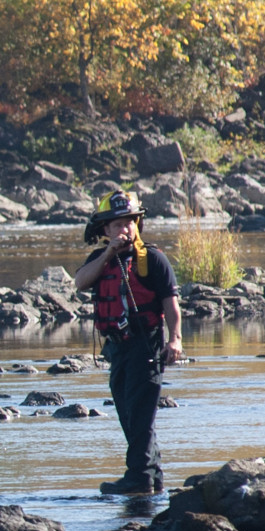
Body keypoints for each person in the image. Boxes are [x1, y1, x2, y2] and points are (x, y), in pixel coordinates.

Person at [75, 190, 184, 495]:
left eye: (129, 222)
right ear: (105, 230)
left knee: (140, 414)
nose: (124, 229)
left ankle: (138, 478)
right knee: (128, 413)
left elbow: (171, 306)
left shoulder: (153, 260)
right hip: (117, 349)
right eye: (117, 224)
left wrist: (175, 340)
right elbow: (81, 282)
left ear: (138, 224)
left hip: (146, 346)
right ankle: (151, 477)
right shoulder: (100, 259)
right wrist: (109, 254)